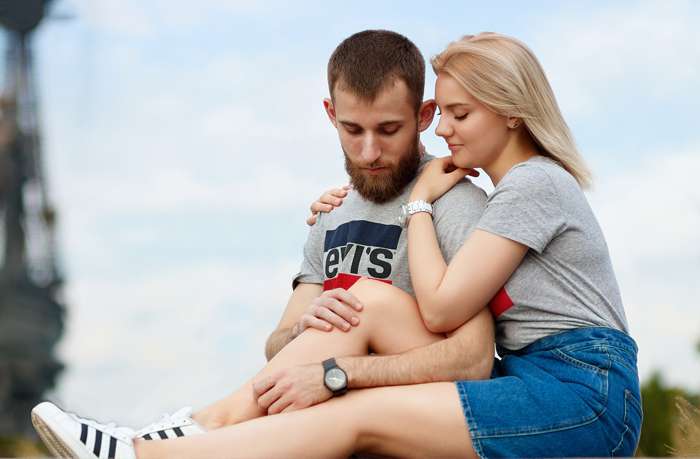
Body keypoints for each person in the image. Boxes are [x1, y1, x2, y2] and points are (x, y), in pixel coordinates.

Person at [33, 31, 643, 458]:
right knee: (365, 303)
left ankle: (146, 453)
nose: (445, 131)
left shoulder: (527, 186)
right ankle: (189, 429)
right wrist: (313, 334)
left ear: (510, 112)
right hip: (528, 375)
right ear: (330, 115)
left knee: (353, 407)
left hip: (582, 387)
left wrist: (419, 205)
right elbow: (289, 339)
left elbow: (446, 317)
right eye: (446, 115)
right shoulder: (472, 197)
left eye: (459, 115)